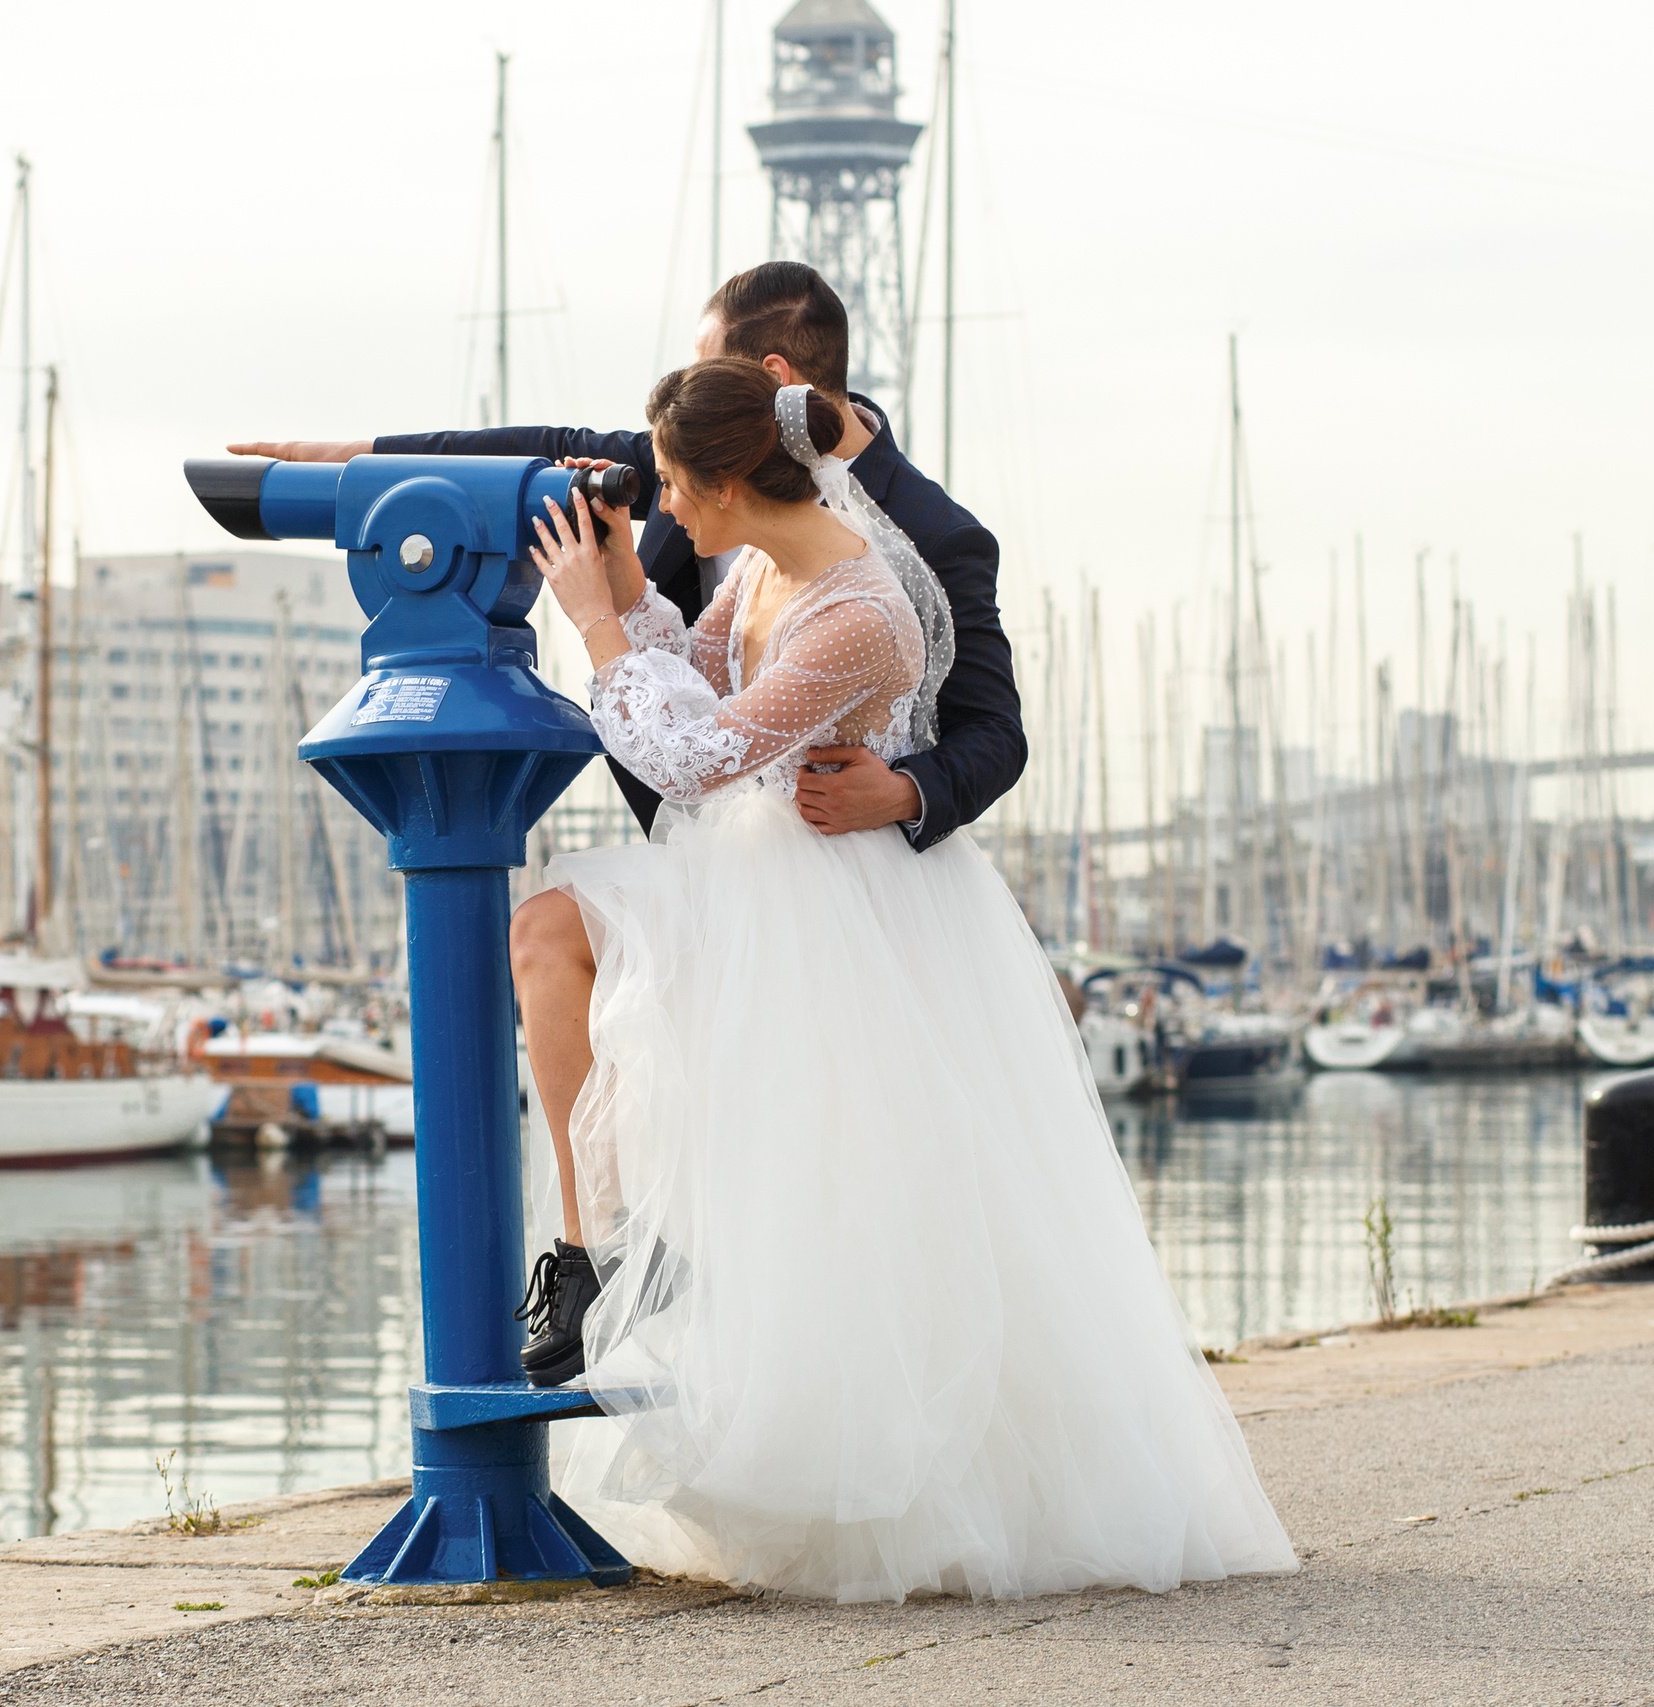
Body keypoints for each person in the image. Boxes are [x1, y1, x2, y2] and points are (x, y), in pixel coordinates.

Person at [499, 357, 1294, 1602]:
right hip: (758, 876)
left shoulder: (861, 611)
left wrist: (595, 624)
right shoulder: (762, 567)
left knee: (846, 1192)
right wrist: (629, 592)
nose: (666, 507)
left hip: (829, 900)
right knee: (555, 936)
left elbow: (695, 754)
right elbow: (698, 676)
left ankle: (861, 1457)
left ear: (728, 482)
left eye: (673, 487)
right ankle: (601, 1248)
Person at [229, 259, 1023, 849]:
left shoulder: (936, 535)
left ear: (766, 380)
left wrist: (906, 793)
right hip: (705, 840)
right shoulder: (703, 470)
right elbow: (549, 445)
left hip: (828, 859)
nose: (663, 495)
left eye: (707, 375)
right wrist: (356, 461)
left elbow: (995, 732)